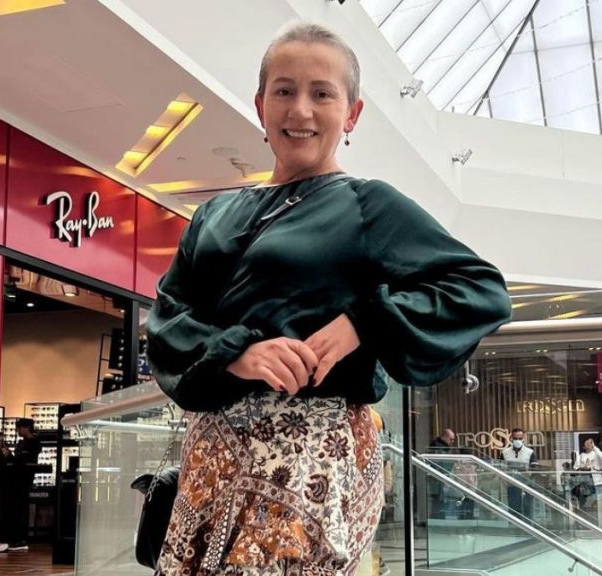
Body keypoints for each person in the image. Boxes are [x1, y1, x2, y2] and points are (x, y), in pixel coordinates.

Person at [146, 21, 511, 574]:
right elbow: (167, 318)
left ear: (352, 114)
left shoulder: (367, 205)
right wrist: (238, 354)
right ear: (260, 105)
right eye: (284, 90)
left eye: (322, 94)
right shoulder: (214, 213)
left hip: (310, 458)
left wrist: (364, 322)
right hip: (213, 455)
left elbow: (478, 289)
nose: (301, 110)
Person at [0, 419, 42, 553]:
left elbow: (22, 461)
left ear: (26, 428)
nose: (18, 431)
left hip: (23, 480)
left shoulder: (33, 443)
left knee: (20, 508)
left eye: (19, 428)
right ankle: (15, 539)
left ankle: (19, 540)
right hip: (17, 479)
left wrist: (10, 455)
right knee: (16, 508)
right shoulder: (23, 443)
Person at [501, 428, 538, 519]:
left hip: (527, 486)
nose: (518, 440)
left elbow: (535, 469)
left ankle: (528, 525)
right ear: (511, 438)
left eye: (520, 438)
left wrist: (529, 472)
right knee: (513, 509)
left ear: (523, 439)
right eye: (515, 438)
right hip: (512, 486)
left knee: (528, 510)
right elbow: (501, 468)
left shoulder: (530, 452)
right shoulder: (505, 453)